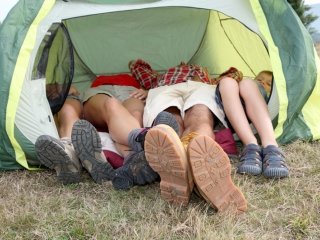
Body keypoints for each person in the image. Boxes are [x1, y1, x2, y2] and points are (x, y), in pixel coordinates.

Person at [120, 59, 247, 213]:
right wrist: (147, 90)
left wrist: (204, 75)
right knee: (169, 118)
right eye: (181, 65)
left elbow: (234, 73)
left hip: (201, 87)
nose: (184, 65)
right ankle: (193, 171)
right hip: (165, 89)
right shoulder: (160, 77)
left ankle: (184, 163)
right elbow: (137, 66)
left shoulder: (207, 76)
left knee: (200, 114)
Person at [215, 71, 289, 178]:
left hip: (257, 111)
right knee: (227, 82)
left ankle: (270, 146)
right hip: (231, 115)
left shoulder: (257, 90)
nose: (263, 83)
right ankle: (251, 146)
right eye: (259, 80)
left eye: (268, 84)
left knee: (247, 83)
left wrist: (254, 84)